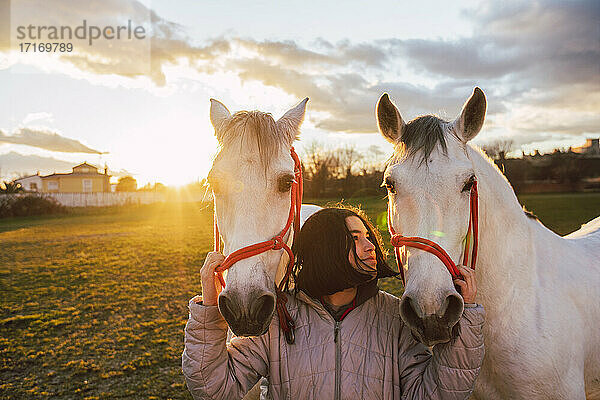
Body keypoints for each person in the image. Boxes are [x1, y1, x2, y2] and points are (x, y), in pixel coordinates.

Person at [182, 206, 485, 399]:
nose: (371, 247)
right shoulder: (279, 316)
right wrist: (209, 311)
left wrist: (467, 318)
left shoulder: (392, 316)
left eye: (368, 235)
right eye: (355, 238)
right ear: (325, 249)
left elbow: (436, 393)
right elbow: (212, 389)